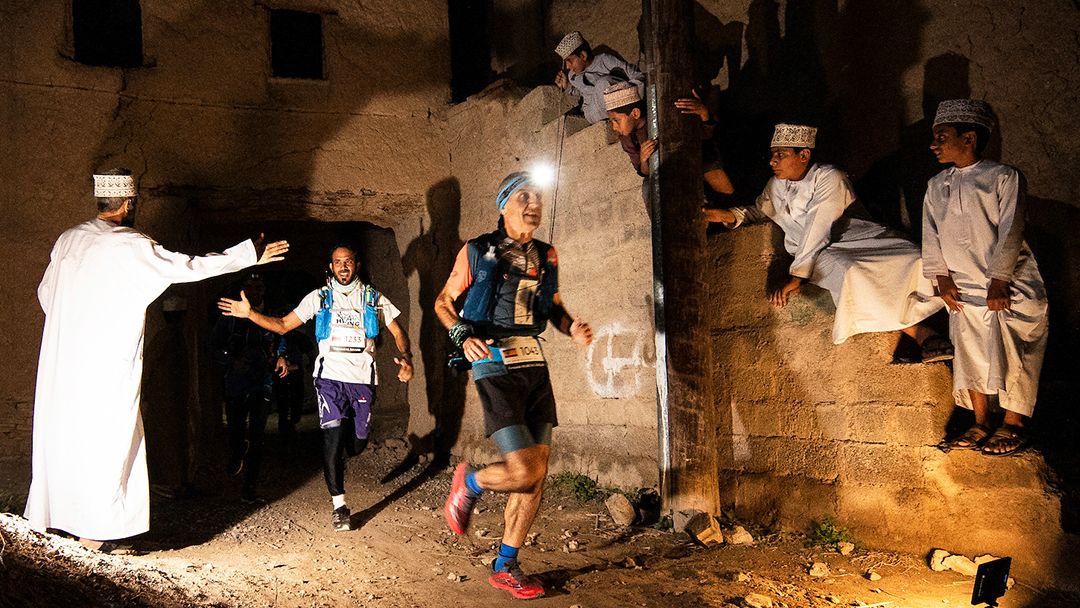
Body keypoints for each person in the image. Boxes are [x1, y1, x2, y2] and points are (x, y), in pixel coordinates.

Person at [25, 169, 288, 553]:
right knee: (107, 440)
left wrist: (77, 324)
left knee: (69, 437)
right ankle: (93, 535)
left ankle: (61, 522)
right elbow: (189, 266)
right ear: (129, 204)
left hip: (65, 364)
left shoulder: (69, 240)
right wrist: (247, 255)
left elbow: (46, 295)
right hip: (106, 365)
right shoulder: (130, 245)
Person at [437, 171, 593, 600]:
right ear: (503, 204)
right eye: (524, 196)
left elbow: (554, 306)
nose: (534, 204)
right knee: (524, 469)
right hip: (493, 362)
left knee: (535, 478)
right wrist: (461, 336)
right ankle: (469, 483)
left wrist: (570, 327)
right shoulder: (477, 250)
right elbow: (443, 302)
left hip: (533, 364)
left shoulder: (547, 254)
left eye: (538, 197)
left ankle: (506, 566)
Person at [702, 125, 952, 357]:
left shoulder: (829, 176)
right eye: (772, 155)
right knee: (852, 272)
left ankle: (933, 326)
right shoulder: (775, 185)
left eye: (780, 154)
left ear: (803, 155)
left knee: (914, 257)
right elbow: (760, 211)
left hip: (855, 236)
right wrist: (725, 216)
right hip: (820, 251)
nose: (772, 161)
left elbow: (819, 224)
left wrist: (796, 277)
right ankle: (921, 334)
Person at [217, 244, 413, 530]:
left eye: (348, 261)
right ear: (331, 267)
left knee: (356, 445)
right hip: (329, 378)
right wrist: (250, 315)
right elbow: (283, 325)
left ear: (356, 265)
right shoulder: (319, 298)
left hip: (362, 379)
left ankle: (352, 437)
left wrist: (406, 357)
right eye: (337, 262)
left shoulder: (372, 298)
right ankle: (339, 506)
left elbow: (397, 331)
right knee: (332, 438)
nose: (343, 266)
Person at [923, 99, 1048, 455]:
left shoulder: (1003, 177)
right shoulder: (936, 185)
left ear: (969, 139)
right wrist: (941, 278)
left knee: (1013, 347)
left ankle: (1013, 424)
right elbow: (930, 233)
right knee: (969, 349)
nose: (934, 145)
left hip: (1007, 283)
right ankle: (980, 422)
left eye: (942, 137)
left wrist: (999, 280)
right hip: (961, 285)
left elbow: (1011, 229)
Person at [211, 273, 288, 503]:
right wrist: (231, 360)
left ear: (264, 289)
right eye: (250, 286)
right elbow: (214, 345)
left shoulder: (272, 314)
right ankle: (237, 451)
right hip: (236, 383)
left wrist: (281, 356)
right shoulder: (230, 316)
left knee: (257, 436)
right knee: (236, 430)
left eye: (259, 286)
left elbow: (282, 336)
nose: (255, 290)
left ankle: (249, 488)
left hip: (262, 382)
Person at [604, 82, 735, 199]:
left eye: (616, 120)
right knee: (649, 189)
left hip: (695, 154)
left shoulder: (663, 111)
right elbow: (644, 172)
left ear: (635, 113)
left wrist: (704, 113)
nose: (614, 127)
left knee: (727, 193)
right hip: (668, 170)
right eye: (612, 122)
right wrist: (644, 160)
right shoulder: (627, 138)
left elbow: (705, 135)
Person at [553, 31, 644, 124]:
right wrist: (567, 86)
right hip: (591, 113)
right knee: (602, 84)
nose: (567, 67)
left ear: (583, 56)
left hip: (616, 106)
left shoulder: (605, 60)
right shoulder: (572, 75)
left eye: (569, 61)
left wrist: (636, 99)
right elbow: (583, 91)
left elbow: (636, 75)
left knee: (603, 83)